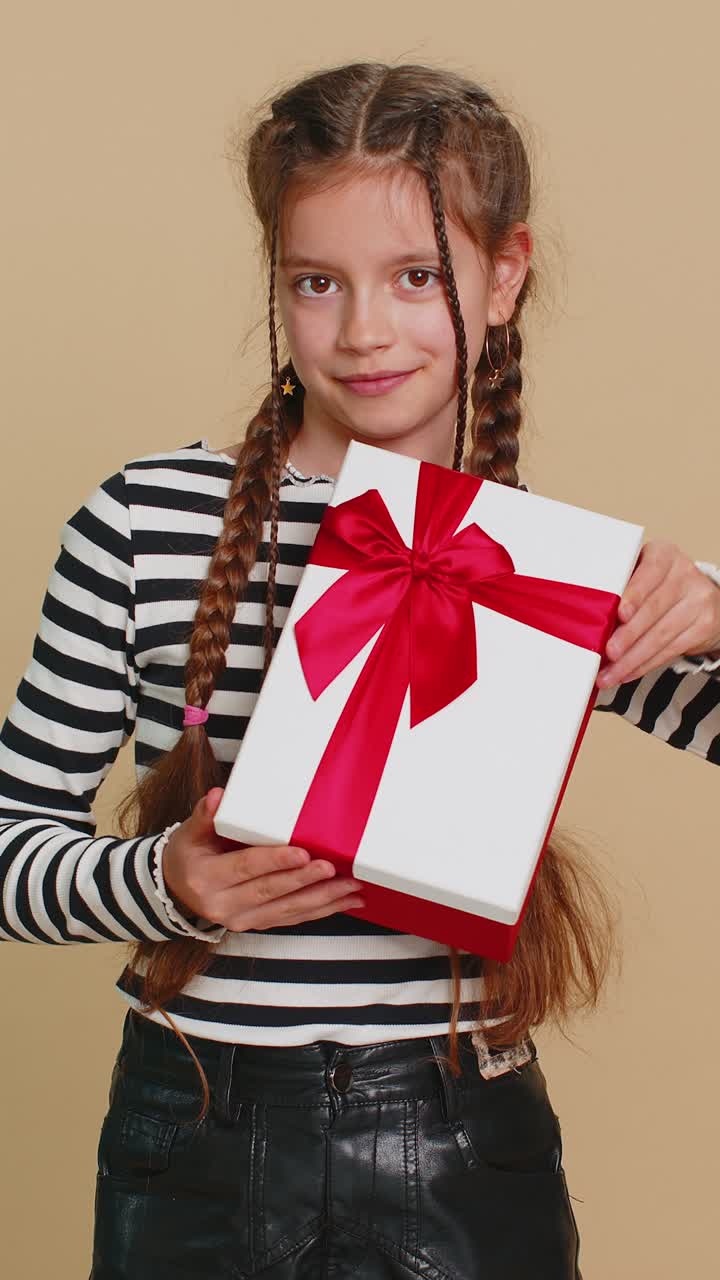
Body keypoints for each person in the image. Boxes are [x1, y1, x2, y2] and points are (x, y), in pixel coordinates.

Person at [1, 61, 719, 1280]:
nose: (364, 329)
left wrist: (710, 608)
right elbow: (12, 851)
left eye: (418, 276)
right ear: (277, 286)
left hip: (461, 1133)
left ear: (507, 273)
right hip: (193, 1128)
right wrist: (164, 878)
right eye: (316, 282)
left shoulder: (544, 565)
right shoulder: (140, 519)